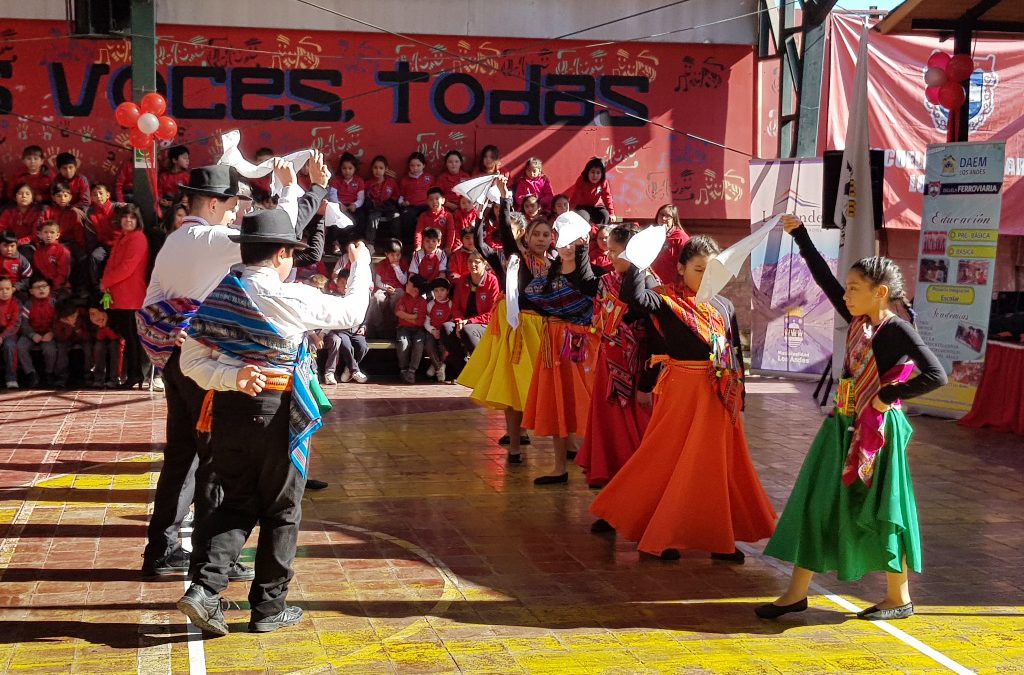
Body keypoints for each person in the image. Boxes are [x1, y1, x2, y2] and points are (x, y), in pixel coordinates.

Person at [176, 211, 372, 636]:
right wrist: (362, 267)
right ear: (282, 253)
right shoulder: (290, 297)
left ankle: (204, 591)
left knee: (239, 500)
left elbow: (190, 362)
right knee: (283, 509)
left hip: (228, 410)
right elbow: (352, 310)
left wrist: (231, 377)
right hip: (274, 411)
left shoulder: (219, 296)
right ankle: (268, 606)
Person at [136, 156, 328, 578]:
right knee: (211, 461)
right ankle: (209, 559)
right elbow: (281, 233)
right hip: (203, 360)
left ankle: (161, 548)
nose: (235, 211)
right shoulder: (211, 239)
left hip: (175, 357)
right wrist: (301, 189)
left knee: (181, 455)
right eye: (230, 205)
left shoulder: (174, 240)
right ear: (212, 204)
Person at [756, 216, 948, 621]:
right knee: (816, 500)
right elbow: (825, 279)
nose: (846, 295)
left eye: (855, 289)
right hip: (841, 425)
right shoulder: (861, 321)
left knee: (883, 507)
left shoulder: (897, 331)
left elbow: (936, 375)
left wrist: (887, 396)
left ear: (880, 293)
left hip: (877, 432)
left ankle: (899, 597)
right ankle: (795, 592)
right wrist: (801, 236)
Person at [589, 235, 777, 560]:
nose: (705, 276)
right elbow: (633, 297)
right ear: (681, 268)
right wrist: (638, 259)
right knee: (666, 458)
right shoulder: (667, 300)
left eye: (712, 269)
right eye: (698, 269)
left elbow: (732, 353)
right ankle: (659, 531)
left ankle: (721, 538)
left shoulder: (724, 305)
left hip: (719, 395)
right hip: (682, 391)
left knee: (716, 466)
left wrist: (740, 399)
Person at [457, 176, 547, 462]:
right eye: (536, 234)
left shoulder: (553, 264)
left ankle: (552, 439)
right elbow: (487, 241)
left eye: (546, 235)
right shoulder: (511, 258)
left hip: (541, 329)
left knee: (539, 384)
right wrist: (500, 200)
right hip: (515, 326)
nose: (540, 239)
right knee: (512, 383)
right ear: (525, 237)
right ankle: (516, 446)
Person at [573, 225, 656, 489]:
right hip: (609, 361)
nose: (609, 256)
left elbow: (653, 330)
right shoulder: (607, 281)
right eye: (608, 250)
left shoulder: (652, 284)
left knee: (639, 425)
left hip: (639, 366)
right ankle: (609, 472)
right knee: (609, 422)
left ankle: (638, 478)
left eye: (615, 251)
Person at [521, 226, 600, 485]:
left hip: (579, 343)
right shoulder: (549, 272)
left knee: (585, 400)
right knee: (557, 400)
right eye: (563, 242)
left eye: (573, 243)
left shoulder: (590, 275)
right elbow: (530, 294)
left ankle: (596, 467)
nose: (567, 248)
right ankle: (558, 468)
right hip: (553, 341)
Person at [101, 204, 150, 390]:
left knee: (132, 339)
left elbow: (126, 268)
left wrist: (105, 282)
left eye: (132, 217)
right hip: (121, 296)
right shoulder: (123, 238)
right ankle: (133, 375)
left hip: (131, 296)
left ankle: (135, 374)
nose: (128, 220)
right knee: (129, 338)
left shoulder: (137, 238)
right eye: (125, 217)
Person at [322, 269, 369, 385]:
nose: (345, 286)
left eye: (348, 283)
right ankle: (355, 370)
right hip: (341, 330)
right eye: (342, 282)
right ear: (337, 283)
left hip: (356, 330)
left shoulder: (357, 298)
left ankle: (349, 368)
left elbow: (365, 314)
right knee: (346, 345)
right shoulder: (333, 298)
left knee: (363, 346)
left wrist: (363, 326)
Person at [16, 276, 57, 387]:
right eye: (37, 287)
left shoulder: (54, 303)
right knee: (20, 346)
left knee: (50, 350)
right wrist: (32, 334)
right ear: (31, 291)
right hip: (31, 333)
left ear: (49, 288)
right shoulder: (28, 305)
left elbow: (58, 321)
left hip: (48, 334)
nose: (41, 289)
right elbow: (23, 323)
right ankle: (31, 374)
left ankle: (49, 373)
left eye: (44, 286)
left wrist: (52, 333)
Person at [327, 153, 365, 252]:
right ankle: (335, 242)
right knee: (333, 216)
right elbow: (332, 196)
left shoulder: (359, 181)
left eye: (350, 168)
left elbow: (361, 197)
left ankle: (352, 242)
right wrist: (340, 205)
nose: (347, 171)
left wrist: (355, 205)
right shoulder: (336, 180)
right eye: (344, 168)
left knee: (360, 217)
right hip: (339, 205)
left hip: (353, 206)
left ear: (354, 169)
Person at [394, 274, 428, 384]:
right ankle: (403, 370)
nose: (406, 284)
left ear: (415, 289)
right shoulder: (403, 298)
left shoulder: (422, 302)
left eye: (409, 283)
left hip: (418, 330)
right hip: (403, 328)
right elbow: (398, 313)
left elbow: (420, 322)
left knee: (419, 343)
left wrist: (405, 316)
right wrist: (413, 316)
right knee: (403, 342)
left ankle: (412, 371)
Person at [397, 152, 432, 250]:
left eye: (418, 165)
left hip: (426, 205)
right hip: (411, 206)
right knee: (406, 215)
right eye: (412, 165)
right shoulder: (404, 180)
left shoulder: (429, 178)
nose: (415, 168)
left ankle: (429, 240)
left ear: (424, 165)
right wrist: (402, 202)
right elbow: (400, 196)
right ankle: (408, 243)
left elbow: (434, 192)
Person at [647, 204, 690, 284]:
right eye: (661, 215)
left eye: (668, 216)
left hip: (672, 286)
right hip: (654, 283)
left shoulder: (680, 237)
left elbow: (688, 261)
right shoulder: (651, 234)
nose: (663, 218)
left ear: (674, 219)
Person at [424, 277, 454, 383]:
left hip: (444, 333)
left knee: (443, 347)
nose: (439, 293)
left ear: (447, 291)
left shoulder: (450, 304)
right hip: (432, 332)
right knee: (429, 345)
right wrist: (432, 331)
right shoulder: (430, 305)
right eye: (436, 291)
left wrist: (441, 332)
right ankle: (439, 367)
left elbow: (452, 320)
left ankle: (437, 365)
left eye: (442, 290)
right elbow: (426, 322)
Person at [363, 155, 400, 244]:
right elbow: (365, 196)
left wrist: (390, 202)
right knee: (372, 218)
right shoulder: (368, 183)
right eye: (375, 168)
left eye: (381, 168)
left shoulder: (391, 182)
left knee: (396, 217)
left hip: (388, 207)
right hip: (375, 208)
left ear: (386, 169)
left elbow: (396, 195)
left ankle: (395, 241)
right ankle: (370, 242)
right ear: (372, 168)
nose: (378, 170)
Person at [569, 157, 615, 225]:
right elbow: (576, 196)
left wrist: (611, 213)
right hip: (582, 207)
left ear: (602, 174)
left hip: (597, 207)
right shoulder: (581, 180)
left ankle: (599, 233)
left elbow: (607, 197)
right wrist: (570, 211)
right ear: (587, 172)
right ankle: (585, 234)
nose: (595, 176)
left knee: (604, 215)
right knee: (583, 217)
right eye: (592, 172)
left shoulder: (603, 182)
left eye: (598, 173)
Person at [33, 221, 72, 294]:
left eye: (52, 232)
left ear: (57, 235)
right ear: (40, 235)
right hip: (43, 288)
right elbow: (38, 272)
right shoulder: (37, 253)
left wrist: (53, 287)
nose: (48, 235)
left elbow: (63, 274)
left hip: (60, 287)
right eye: (45, 232)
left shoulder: (63, 251)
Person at [89, 303, 121, 388]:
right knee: (98, 347)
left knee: (114, 346)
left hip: (115, 341)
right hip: (101, 341)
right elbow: (98, 338)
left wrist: (105, 325)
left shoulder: (113, 318)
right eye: (91, 314)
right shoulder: (92, 322)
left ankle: (114, 379)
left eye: (95, 313)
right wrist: (100, 326)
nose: (93, 316)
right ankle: (98, 379)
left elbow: (117, 336)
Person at [1, 184, 42, 248]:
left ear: (32, 198)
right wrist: (10, 241)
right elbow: (1, 228)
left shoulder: (38, 213)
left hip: (29, 244)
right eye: (20, 193)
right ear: (15, 197)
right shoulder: (8, 212)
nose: (24, 196)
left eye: (27, 194)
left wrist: (20, 242)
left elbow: (35, 235)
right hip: (9, 242)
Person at [414, 188, 453, 252]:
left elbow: (451, 232)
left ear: (443, 200)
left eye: (437, 199)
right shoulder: (423, 216)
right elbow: (418, 232)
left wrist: (448, 247)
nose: (434, 201)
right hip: (426, 249)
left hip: (442, 250)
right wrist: (418, 246)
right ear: (427, 202)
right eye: (431, 199)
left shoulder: (448, 216)